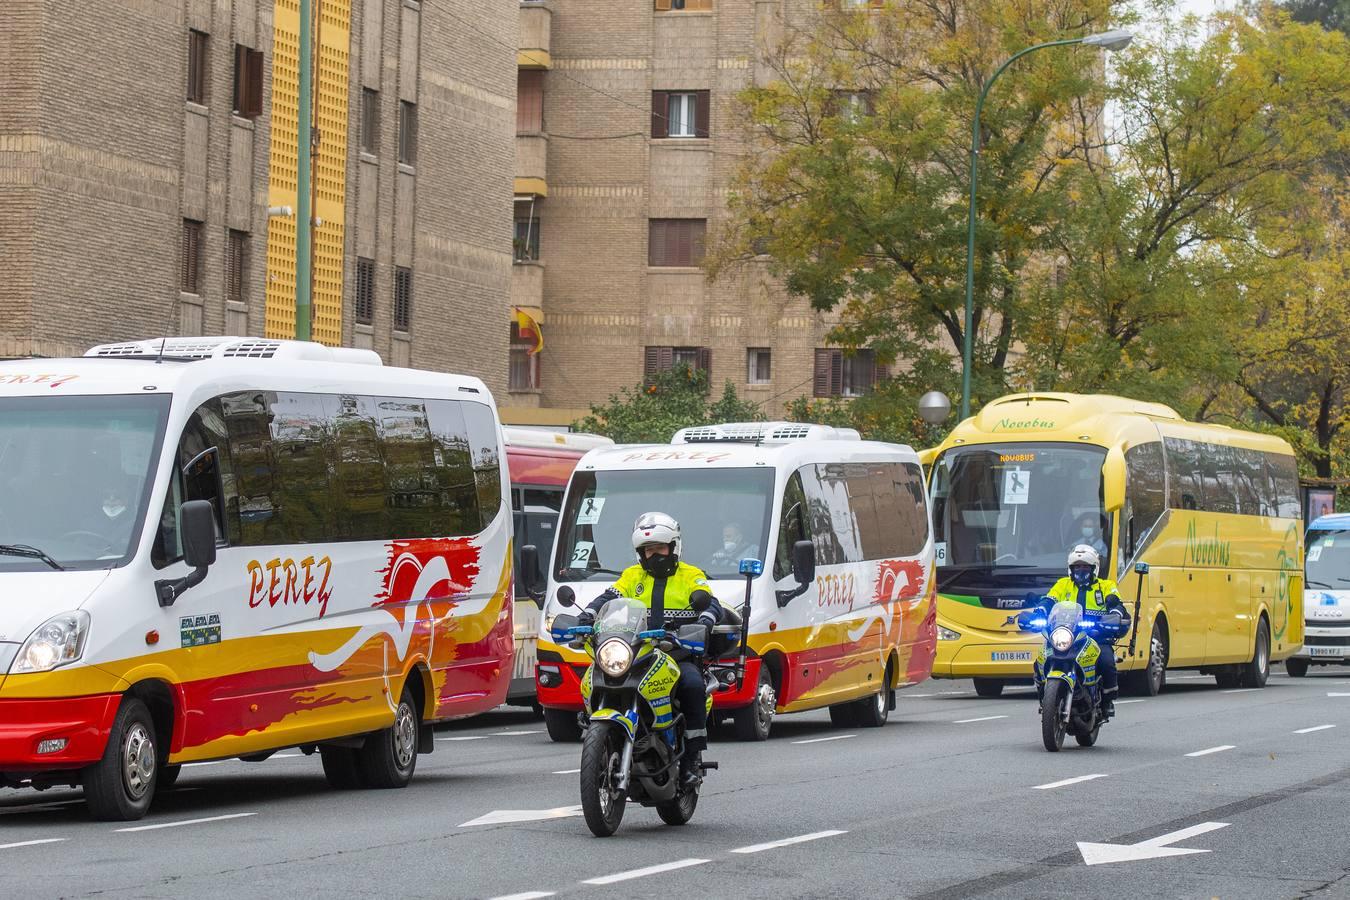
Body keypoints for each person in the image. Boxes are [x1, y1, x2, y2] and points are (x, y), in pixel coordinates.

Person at [577, 511, 723, 789]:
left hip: (677, 650)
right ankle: (599, 737)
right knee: (596, 675)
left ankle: (692, 757)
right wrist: (587, 615)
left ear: (674, 547)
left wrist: (703, 621)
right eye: (647, 550)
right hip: (639, 651)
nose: (653, 555)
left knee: (692, 684)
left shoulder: (691, 574)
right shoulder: (632, 576)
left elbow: (711, 603)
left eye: (659, 548)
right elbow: (611, 596)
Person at [1039, 545, 1130, 717]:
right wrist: (1040, 611)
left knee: (1106, 661)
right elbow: (1049, 600)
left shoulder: (1105, 586)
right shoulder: (1062, 584)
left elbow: (1115, 602)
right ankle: (1043, 691)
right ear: (1070, 569)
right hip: (1067, 634)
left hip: (1096, 636)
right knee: (1039, 659)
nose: (1081, 570)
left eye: (1085, 567)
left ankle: (1107, 700)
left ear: (1094, 568)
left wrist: (1114, 615)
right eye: (1077, 566)